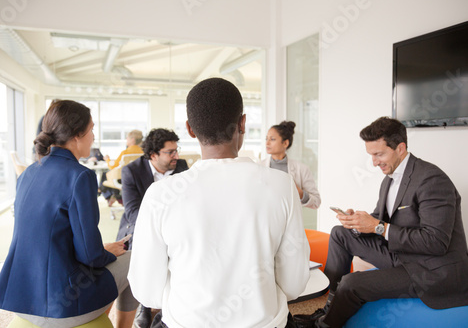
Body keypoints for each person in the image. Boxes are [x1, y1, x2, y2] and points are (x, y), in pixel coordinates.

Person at [128, 78, 310, 328]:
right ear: (242, 123)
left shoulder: (160, 194)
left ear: (190, 129)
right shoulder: (283, 185)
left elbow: (146, 291)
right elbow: (294, 283)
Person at [302, 117, 468, 328]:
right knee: (339, 233)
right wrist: (358, 222)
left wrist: (377, 226)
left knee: (352, 282)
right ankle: (328, 309)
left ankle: (324, 326)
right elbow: (384, 220)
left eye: (379, 154)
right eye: (371, 155)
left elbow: (435, 242)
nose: (373, 162)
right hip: (401, 254)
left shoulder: (432, 180)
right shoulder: (389, 179)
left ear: (400, 148)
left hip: (430, 269)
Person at [0, 100, 138, 328]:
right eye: (92, 129)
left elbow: (46, 239)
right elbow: (91, 256)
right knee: (134, 257)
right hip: (63, 306)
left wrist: (100, 250)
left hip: (24, 299)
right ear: (77, 135)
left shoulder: (28, 173)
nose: (93, 137)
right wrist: (106, 253)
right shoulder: (80, 176)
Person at [116, 128, 188, 328]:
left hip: (176, 227)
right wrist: (162, 228)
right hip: (140, 228)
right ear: (154, 154)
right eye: (170, 152)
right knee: (150, 247)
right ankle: (146, 305)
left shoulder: (182, 167)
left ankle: (171, 305)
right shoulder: (131, 171)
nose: (177, 156)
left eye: (177, 150)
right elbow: (132, 212)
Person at [261, 121, 321, 209]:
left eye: (272, 139)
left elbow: (316, 202)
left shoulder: (301, 169)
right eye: (266, 139)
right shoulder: (258, 166)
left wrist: (300, 193)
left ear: (285, 143)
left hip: (290, 219)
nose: (267, 143)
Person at [100, 130, 144, 206]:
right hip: (140, 179)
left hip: (123, 180)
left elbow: (112, 166)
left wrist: (107, 159)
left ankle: (115, 198)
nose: (126, 139)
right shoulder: (144, 152)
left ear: (132, 140)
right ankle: (117, 198)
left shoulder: (125, 153)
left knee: (106, 177)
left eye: (127, 138)